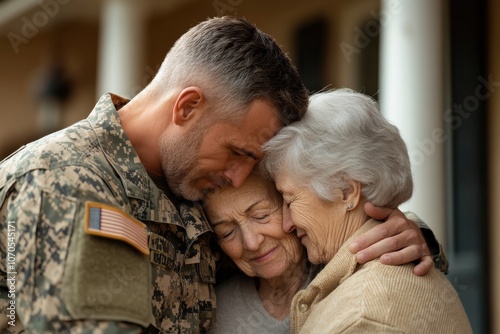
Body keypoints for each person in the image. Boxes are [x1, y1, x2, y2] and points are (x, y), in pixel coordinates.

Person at [0, 16, 437, 333]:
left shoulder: (192, 183)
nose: (239, 176)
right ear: (187, 107)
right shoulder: (62, 181)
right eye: (237, 152)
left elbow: (277, 257)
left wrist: (391, 231)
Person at [262, 88, 472, 333]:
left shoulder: (361, 321)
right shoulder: (386, 265)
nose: (286, 223)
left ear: (346, 192)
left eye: (289, 200)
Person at [203, 172, 448, 333]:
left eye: (262, 216)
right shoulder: (213, 307)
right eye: (226, 232)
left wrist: (421, 233)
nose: (251, 242)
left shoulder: (348, 267)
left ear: (291, 208)